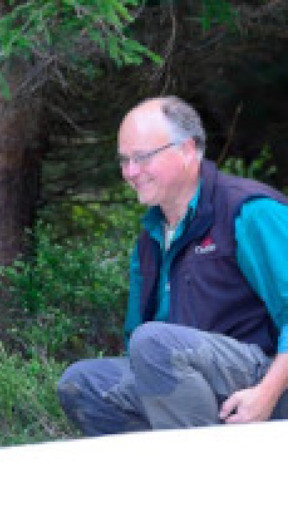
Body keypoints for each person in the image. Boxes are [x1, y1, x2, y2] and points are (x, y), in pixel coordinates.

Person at [57, 95, 288, 435]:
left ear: (187, 150)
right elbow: (138, 345)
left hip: (266, 386)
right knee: (83, 384)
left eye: (142, 157)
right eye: (124, 160)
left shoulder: (250, 212)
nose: (130, 172)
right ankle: (168, 470)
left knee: (153, 343)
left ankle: (201, 475)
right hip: (195, 392)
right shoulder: (150, 239)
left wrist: (265, 394)